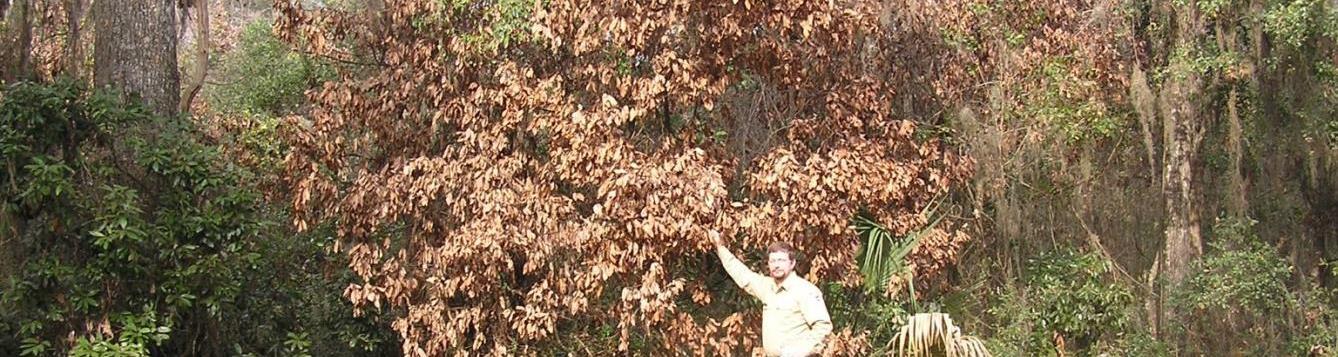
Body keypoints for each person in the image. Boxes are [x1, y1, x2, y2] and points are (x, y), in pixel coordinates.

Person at [711, 229, 833, 357]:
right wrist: (720, 246)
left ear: (792, 263)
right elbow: (742, 274)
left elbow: (823, 328)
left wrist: (799, 352)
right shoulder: (767, 287)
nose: (776, 265)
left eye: (781, 260)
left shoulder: (805, 291)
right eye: (773, 261)